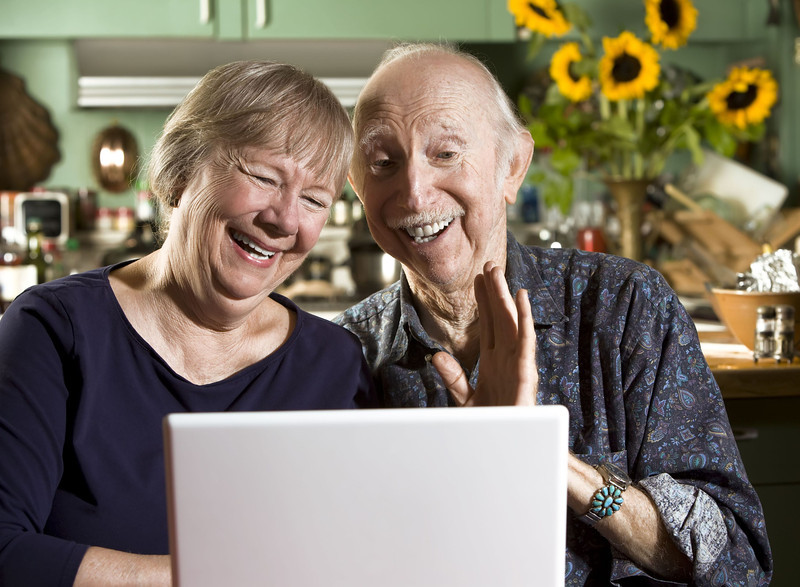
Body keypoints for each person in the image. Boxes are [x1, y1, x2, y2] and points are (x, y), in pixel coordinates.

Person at [334, 43, 772, 585]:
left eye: (445, 154)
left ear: (513, 166)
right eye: (383, 163)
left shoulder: (625, 307)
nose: (415, 192)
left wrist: (540, 452)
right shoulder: (339, 354)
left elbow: (734, 561)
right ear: (357, 186)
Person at [0, 60, 378, 586]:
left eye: (314, 200)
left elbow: (366, 557)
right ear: (178, 175)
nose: (286, 221)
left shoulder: (336, 365)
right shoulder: (54, 329)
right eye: (264, 177)